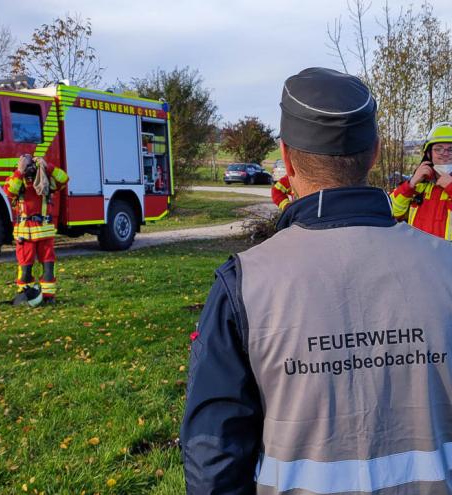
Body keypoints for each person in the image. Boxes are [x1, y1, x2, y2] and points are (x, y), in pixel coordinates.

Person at [180, 67, 452, 494]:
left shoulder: (246, 282)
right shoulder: (447, 266)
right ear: (376, 153)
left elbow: (213, 453)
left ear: (286, 158)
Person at [4, 155, 68, 305]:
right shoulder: (16, 179)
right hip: (25, 234)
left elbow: (63, 179)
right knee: (25, 268)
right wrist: (20, 171)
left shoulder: (44, 179)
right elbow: (9, 191)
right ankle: (26, 296)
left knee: (48, 266)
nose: (30, 169)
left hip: (43, 231)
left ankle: (48, 296)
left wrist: (48, 167)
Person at [390, 122, 452, 239]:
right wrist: (411, 184)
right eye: (438, 149)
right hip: (419, 255)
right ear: (429, 154)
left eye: (451, 149)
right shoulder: (418, 186)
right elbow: (392, 212)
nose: (444, 154)